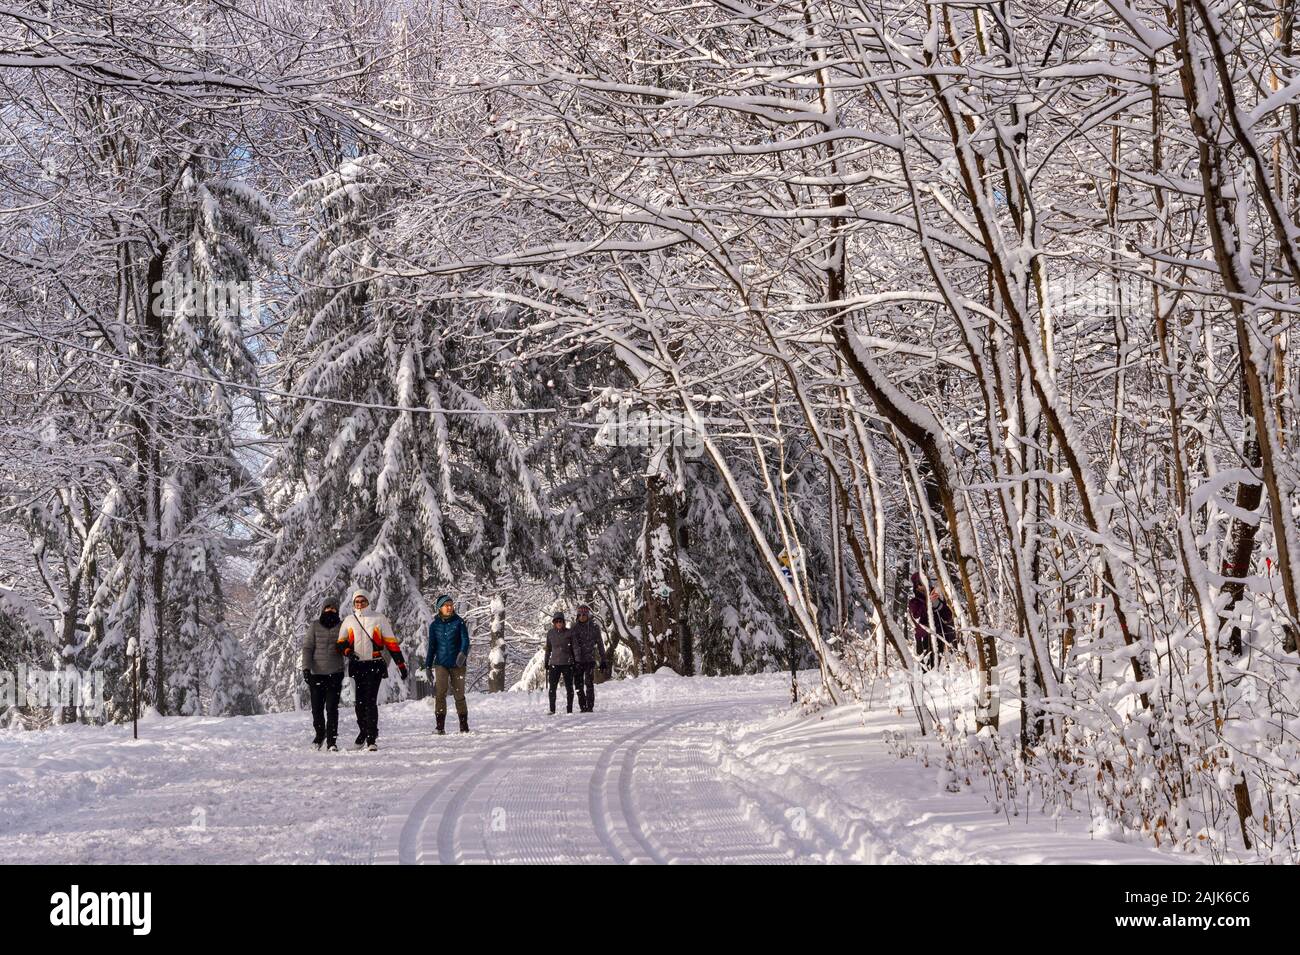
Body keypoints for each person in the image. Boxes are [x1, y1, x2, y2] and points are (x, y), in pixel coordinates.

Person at [337, 588, 408, 750]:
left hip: (374, 664)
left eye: (363, 601)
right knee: (359, 703)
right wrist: (348, 652)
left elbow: (391, 643)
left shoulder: (379, 618)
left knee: (370, 702)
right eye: (357, 601)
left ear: (368, 601)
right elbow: (340, 643)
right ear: (353, 603)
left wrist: (401, 665)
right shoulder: (349, 620)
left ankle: (371, 739)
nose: (360, 604)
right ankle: (363, 731)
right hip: (357, 666)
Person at [301, 596, 345, 751]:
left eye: (333, 608)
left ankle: (332, 741)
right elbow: (307, 648)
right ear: (323, 609)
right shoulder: (314, 626)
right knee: (317, 709)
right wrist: (306, 668)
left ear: (337, 610)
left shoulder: (342, 626)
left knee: (332, 708)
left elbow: (347, 646)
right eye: (327, 607)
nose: (330, 610)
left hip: (335, 673)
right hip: (316, 674)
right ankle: (320, 735)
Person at [425, 594, 471, 734]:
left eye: (451, 605)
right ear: (440, 608)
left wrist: (462, 655)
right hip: (441, 664)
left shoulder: (459, 622)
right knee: (440, 694)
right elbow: (432, 646)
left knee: (459, 695)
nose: (450, 607)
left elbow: (465, 641)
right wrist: (428, 665)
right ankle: (440, 727)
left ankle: (464, 726)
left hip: (458, 664)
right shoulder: (434, 625)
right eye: (446, 605)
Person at [907, 572, 956, 670]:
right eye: (921, 583)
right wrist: (928, 603)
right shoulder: (914, 602)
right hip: (924, 639)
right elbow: (918, 618)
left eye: (926, 582)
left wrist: (938, 604)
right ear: (917, 586)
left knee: (943, 669)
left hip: (941, 637)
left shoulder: (936, 597)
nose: (925, 585)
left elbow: (948, 616)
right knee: (927, 670)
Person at [569, 604, 608, 712]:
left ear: (588, 615)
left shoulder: (594, 628)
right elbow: (570, 645)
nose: (582, 616)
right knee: (578, 685)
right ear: (577, 615)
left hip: (589, 659)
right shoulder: (574, 628)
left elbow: (600, 644)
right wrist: (571, 660)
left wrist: (603, 660)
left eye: (584, 614)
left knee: (589, 683)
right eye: (580, 614)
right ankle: (583, 706)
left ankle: (590, 706)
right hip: (577, 661)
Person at [543, 611, 576, 714]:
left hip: (567, 664)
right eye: (557, 621)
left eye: (560, 621)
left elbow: (574, 648)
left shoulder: (569, 632)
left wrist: (575, 661)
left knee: (569, 687)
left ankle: (569, 709)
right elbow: (548, 648)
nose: (559, 623)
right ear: (554, 623)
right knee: (552, 688)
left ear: (563, 622)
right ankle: (552, 709)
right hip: (554, 664)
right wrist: (546, 661)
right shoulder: (550, 633)